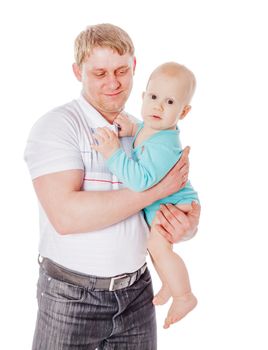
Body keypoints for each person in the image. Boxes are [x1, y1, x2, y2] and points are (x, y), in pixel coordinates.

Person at [24, 23, 201, 350]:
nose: (113, 82)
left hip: (137, 294)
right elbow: (66, 217)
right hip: (71, 298)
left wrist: (184, 225)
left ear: (135, 67)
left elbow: (171, 201)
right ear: (78, 72)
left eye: (121, 70)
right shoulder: (58, 126)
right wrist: (158, 190)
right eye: (99, 73)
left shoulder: (146, 128)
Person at [91, 62, 199, 329]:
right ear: (143, 96)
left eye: (170, 101)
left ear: (183, 111)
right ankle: (168, 285)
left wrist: (113, 152)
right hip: (167, 202)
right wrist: (133, 129)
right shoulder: (155, 130)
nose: (158, 106)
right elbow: (144, 132)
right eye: (153, 97)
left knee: (159, 249)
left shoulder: (164, 146)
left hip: (173, 204)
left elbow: (140, 181)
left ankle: (184, 295)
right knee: (156, 249)